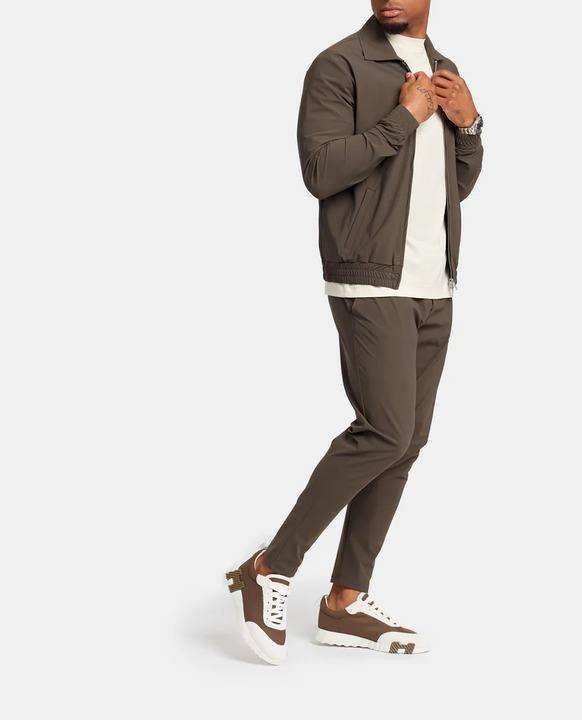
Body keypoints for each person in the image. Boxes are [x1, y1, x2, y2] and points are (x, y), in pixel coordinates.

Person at [226, 0, 483, 664]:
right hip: (370, 276)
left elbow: (453, 185)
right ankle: (269, 567)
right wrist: (404, 118)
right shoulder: (339, 65)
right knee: (384, 431)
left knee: (407, 441)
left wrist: (470, 125)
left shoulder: (444, 67)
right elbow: (321, 172)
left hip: (433, 280)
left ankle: (344, 601)